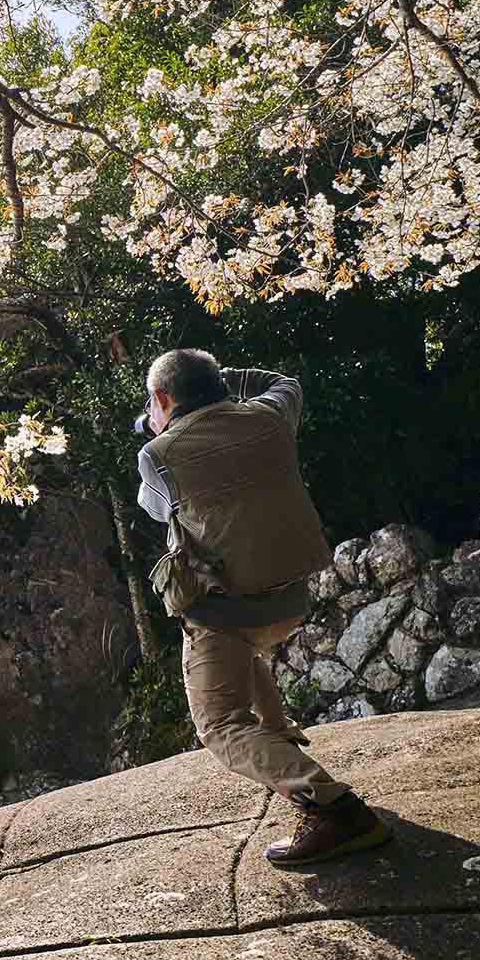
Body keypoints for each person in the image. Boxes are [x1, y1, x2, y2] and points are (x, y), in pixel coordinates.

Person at [136, 348, 391, 866]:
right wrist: (224, 382)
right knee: (243, 657)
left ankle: (333, 809)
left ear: (163, 399)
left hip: (225, 614)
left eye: (153, 404)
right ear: (220, 384)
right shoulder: (272, 416)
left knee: (221, 726)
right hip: (290, 600)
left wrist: (158, 433)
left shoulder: (158, 454)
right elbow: (287, 381)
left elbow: (156, 508)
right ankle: (279, 740)